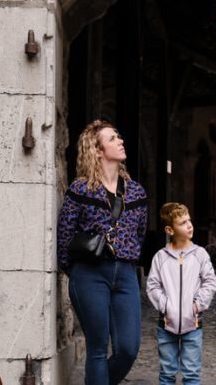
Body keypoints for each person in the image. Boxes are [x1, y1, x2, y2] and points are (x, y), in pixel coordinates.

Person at [56, 121, 148, 385]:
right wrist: (74, 271)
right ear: (97, 151)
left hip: (126, 274)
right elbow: (65, 235)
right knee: (97, 348)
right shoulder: (80, 189)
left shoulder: (136, 192)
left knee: (128, 349)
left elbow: (140, 233)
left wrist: (126, 256)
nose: (120, 141)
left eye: (118, 136)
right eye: (112, 138)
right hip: (89, 274)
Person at [146, 202, 216, 385]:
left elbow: (210, 282)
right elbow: (153, 286)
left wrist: (198, 304)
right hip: (166, 326)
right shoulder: (160, 257)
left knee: (192, 374)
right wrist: (165, 306)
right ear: (170, 230)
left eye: (189, 220)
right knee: (166, 374)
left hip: (193, 325)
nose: (189, 225)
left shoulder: (200, 254)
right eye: (183, 222)